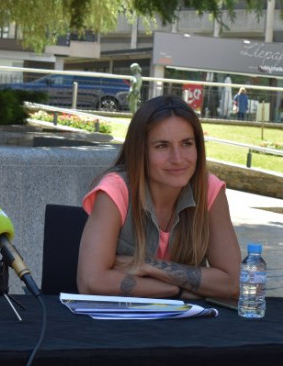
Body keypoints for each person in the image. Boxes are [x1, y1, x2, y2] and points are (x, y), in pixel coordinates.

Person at [77, 95, 241, 300]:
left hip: (189, 327)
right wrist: (177, 290)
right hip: (119, 324)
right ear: (140, 152)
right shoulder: (115, 189)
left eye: (187, 144)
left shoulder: (209, 189)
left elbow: (234, 283)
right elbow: (91, 282)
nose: (178, 158)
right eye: (162, 146)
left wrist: (148, 266)